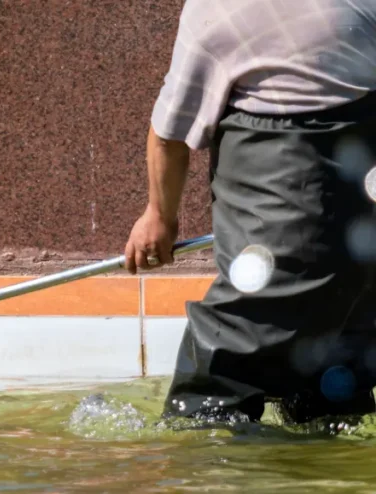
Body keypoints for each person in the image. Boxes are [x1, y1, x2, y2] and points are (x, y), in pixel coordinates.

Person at [124, 0, 376, 424]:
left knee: (215, 391)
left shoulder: (216, 12)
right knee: (333, 384)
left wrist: (159, 217)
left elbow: (169, 134)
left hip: (284, 235)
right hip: (362, 251)